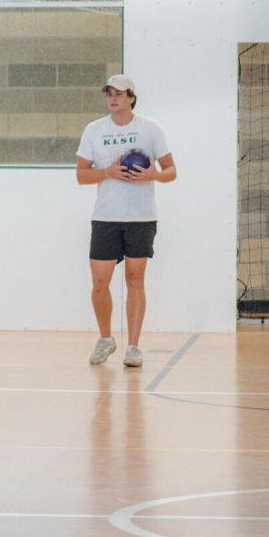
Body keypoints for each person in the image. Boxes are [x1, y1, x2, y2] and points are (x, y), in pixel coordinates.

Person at [76, 75, 177, 368]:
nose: (113, 98)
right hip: (105, 218)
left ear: (131, 97)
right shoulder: (94, 130)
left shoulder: (150, 129)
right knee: (99, 282)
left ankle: (133, 346)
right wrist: (107, 171)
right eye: (109, 93)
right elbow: (82, 175)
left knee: (135, 279)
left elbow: (171, 170)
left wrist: (153, 175)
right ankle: (106, 339)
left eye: (119, 93)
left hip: (140, 218)